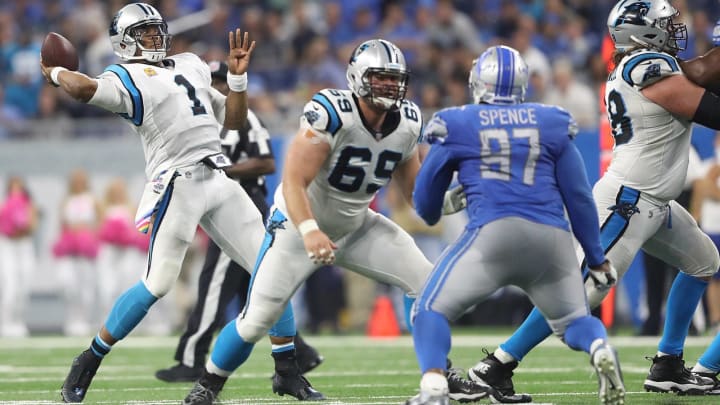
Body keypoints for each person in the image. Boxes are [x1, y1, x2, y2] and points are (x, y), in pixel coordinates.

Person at [182, 38, 498, 405]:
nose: (390, 87)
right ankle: (207, 386)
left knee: (427, 288)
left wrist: (446, 202)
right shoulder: (332, 112)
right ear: (357, 78)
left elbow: (414, 193)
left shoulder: (408, 121)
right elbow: (293, 182)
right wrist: (310, 230)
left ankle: (441, 375)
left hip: (356, 224)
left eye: (395, 79)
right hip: (298, 226)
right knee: (256, 319)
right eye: (380, 78)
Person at [40, 3, 311, 403]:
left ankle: (287, 370)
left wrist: (237, 79)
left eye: (156, 30)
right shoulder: (124, 74)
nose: (154, 38)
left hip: (218, 175)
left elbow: (233, 122)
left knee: (273, 268)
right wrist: (56, 72)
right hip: (178, 183)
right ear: (124, 42)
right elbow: (83, 90)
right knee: (158, 283)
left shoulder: (191, 62)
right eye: (145, 33)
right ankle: (89, 359)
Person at [458, 0, 720, 399]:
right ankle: (496, 365)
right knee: (586, 289)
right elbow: (708, 107)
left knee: (703, 262)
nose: (673, 30)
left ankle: (668, 364)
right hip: (630, 200)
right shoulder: (645, 65)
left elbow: (700, 72)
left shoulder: (642, 65)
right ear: (642, 33)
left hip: (654, 202)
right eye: (664, 24)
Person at [406, 45, 625, 405]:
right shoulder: (549, 121)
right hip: (551, 239)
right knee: (573, 321)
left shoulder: (458, 121)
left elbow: (426, 198)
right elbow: (579, 196)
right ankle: (599, 346)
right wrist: (596, 256)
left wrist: (437, 209)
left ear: (479, 82)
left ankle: (433, 387)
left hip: (492, 235)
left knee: (428, 309)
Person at [155, 60, 323, 383]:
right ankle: (301, 351)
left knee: (214, 285)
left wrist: (223, 170)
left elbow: (266, 162)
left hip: (242, 205)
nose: (216, 89)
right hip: (218, 206)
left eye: (222, 83)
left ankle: (192, 359)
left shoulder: (243, 118)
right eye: (212, 83)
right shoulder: (200, 121)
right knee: (261, 285)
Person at [53, 168, 101, 336]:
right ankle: (72, 318)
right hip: (70, 250)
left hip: (86, 250)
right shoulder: (67, 200)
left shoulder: (92, 200)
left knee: (86, 286)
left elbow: (99, 223)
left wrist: (88, 236)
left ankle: (84, 319)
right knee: (68, 284)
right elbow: (62, 225)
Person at [0, 175, 37, 337]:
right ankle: (6, 322)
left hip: (24, 245)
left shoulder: (29, 206)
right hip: (8, 245)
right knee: (9, 284)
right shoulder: (4, 206)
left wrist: (23, 224)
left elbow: (32, 225)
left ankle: (19, 320)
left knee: (24, 284)